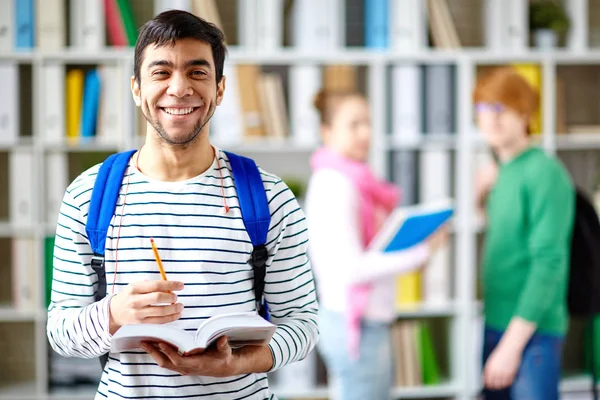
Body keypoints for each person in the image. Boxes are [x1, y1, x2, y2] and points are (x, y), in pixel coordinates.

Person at [46, 10, 318, 399]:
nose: (179, 88)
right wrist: (113, 315)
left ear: (220, 89)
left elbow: (303, 324)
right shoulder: (87, 196)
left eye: (197, 72)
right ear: (137, 88)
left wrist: (240, 363)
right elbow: (60, 333)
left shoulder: (270, 197)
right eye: (161, 72)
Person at [304, 89, 448, 400]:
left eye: (368, 123)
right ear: (327, 132)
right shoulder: (335, 184)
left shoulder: (358, 180)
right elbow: (351, 269)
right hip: (355, 324)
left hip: (367, 321)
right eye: (354, 124)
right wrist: (422, 251)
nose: (365, 133)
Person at [473, 67, 575, 400]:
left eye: (501, 108)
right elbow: (508, 238)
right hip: (496, 322)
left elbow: (549, 263)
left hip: (531, 334)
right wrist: (479, 197)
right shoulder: (501, 171)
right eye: (483, 108)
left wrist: (510, 347)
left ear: (526, 113)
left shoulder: (544, 173)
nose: (490, 118)